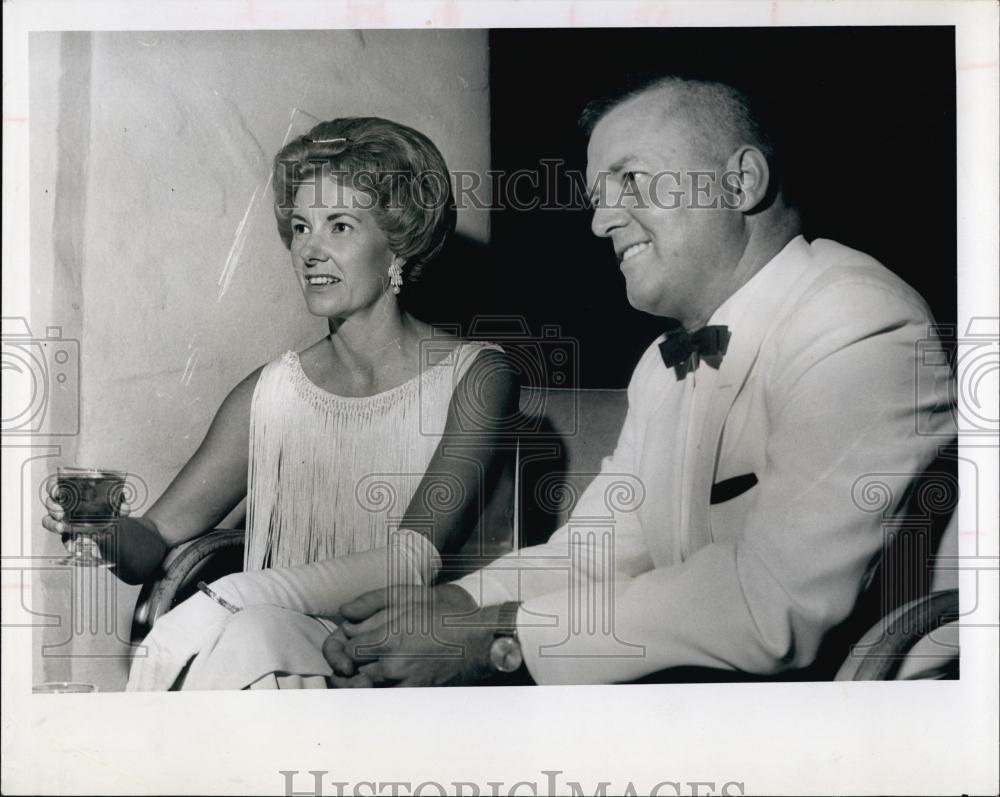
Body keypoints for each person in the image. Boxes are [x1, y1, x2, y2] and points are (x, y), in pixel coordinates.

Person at [322, 77, 956, 686]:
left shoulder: (856, 317)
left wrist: (495, 635)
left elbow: (776, 607)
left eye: (632, 179)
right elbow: (598, 553)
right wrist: (437, 608)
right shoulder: (660, 364)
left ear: (740, 183)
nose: (601, 221)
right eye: (600, 194)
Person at [43, 117, 519, 690]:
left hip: (417, 655)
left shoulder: (477, 376)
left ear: (399, 240)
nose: (309, 251)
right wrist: (107, 531)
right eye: (299, 227)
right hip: (283, 644)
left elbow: (410, 562)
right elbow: (157, 537)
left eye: (339, 226)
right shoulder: (270, 394)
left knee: (243, 637)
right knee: (249, 639)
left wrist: (226, 599)